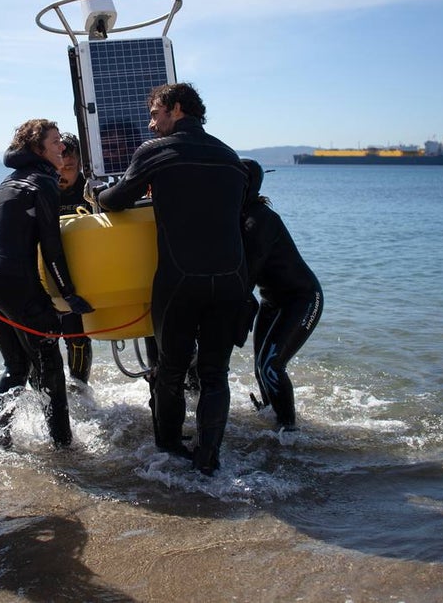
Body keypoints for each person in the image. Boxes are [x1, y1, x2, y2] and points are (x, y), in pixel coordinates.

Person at [93, 82, 247, 475]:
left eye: (155, 114)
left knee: (171, 371)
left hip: (181, 281)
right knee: (215, 374)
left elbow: (117, 199)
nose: (150, 124)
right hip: (231, 281)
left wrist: (96, 193)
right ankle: (209, 461)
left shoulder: (157, 151)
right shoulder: (230, 156)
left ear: (176, 109)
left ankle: (169, 453)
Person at [0, 119, 93, 450]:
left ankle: (0, 441)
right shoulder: (43, 182)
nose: (62, 147)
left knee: (16, 366)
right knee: (50, 364)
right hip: (18, 285)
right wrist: (69, 295)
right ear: (37, 148)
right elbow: (51, 246)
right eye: (55, 142)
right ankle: (63, 445)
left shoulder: (8, 181)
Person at [239, 159, 323, 430]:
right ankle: (272, 416)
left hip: (303, 299)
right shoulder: (241, 213)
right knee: (261, 367)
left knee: (271, 366)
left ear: (244, 184)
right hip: (272, 300)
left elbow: (246, 277)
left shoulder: (258, 220)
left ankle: (289, 431)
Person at [55, 132, 93, 385]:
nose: (64, 171)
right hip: (50, 270)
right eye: (59, 165)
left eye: (70, 166)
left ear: (80, 163)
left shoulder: (90, 189)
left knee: (77, 337)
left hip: (81, 272)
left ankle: (80, 389)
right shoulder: (44, 188)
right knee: (46, 336)